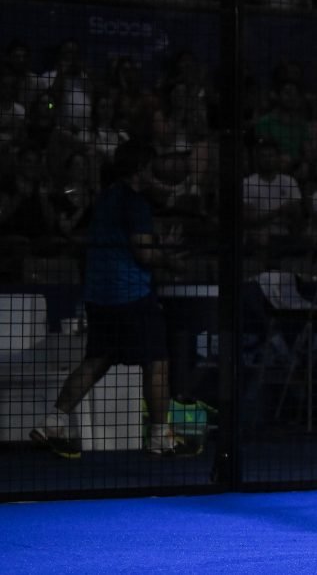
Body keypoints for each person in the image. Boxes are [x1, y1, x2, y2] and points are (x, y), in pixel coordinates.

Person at [29, 141, 197, 459]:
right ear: (140, 169)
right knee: (158, 363)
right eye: (150, 167)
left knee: (97, 360)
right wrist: (170, 259)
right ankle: (161, 436)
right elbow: (143, 253)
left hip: (99, 294)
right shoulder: (136, 204)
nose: (154, 173)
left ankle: (53, 422)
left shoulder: (105, 197)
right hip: (131, 295)